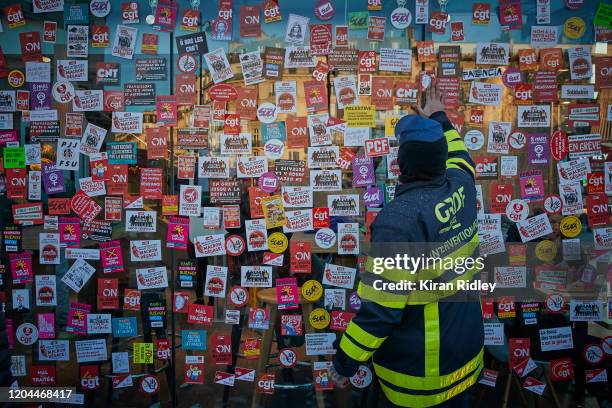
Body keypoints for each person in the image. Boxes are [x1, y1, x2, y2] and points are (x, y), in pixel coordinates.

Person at [330, 81, 485, 407]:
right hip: (466, 362)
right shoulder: (462, 184)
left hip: (421, 375)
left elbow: (381, 312)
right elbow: (461, 155)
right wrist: (439, 116)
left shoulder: (397, 223)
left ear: (400, 165)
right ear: (442, 160)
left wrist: (345, 362)